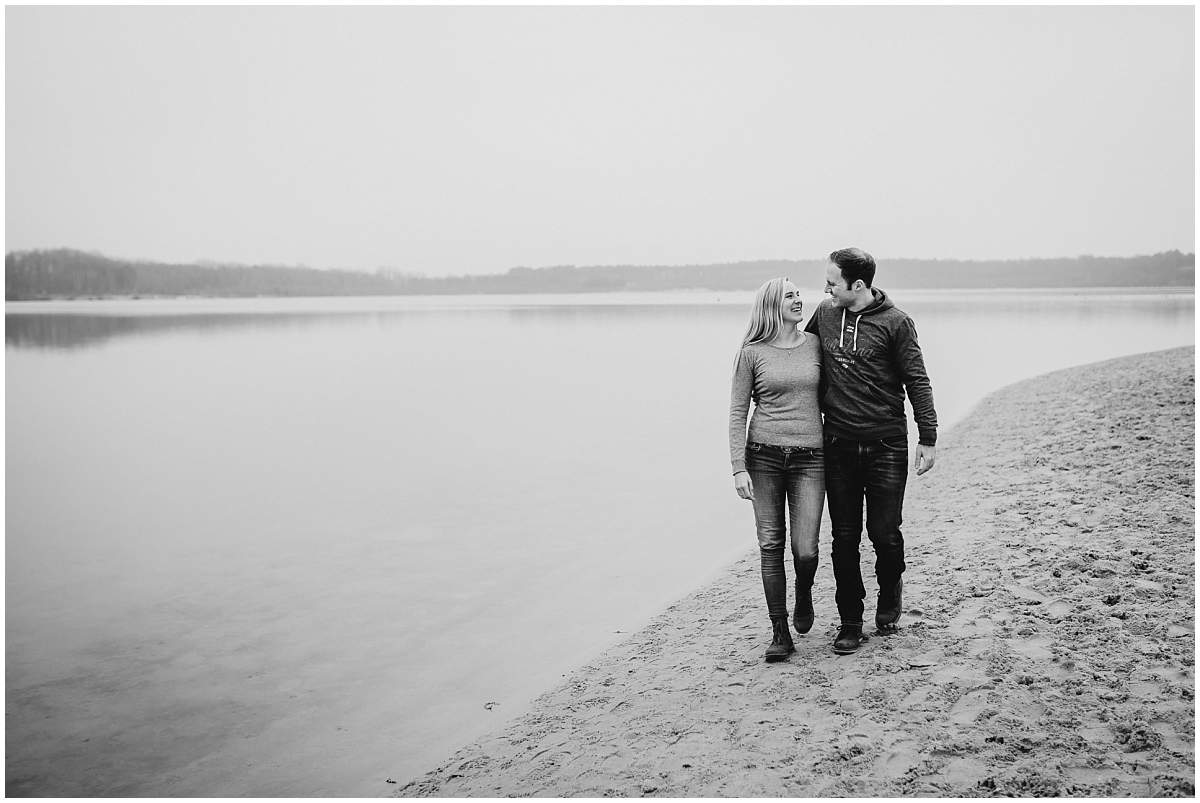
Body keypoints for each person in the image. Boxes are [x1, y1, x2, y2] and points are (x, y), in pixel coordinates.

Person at [804, 248, 938, 656]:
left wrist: (927, 437)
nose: (825, 288)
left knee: (884, 532)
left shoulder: (896, 323)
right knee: (843, 537)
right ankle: (850, 621)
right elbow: (799, 351)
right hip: (838, 445)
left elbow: (917, 380)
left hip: (886, 444)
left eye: (832, 282)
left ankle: (890, 587)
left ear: (857, 285)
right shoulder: (825, 315)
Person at [728, 277, 825, 663]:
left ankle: (803, 589)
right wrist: (738, 467)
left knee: (806, 548)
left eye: (800, 295)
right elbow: (737, 411)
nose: (799, 300)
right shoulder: (752, 352)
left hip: (811, 457)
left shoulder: (816, 345)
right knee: (771, 544)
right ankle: (780, 631)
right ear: (772, 305)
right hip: (763, 456)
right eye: (791, 296)